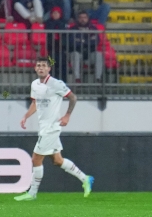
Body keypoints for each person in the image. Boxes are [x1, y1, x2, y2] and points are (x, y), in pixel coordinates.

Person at [15, 57, 94, 201]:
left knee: (36, 159)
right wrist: (26, 116)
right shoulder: (35, 85)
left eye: (44, 66)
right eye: (38, 65)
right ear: (35, 68)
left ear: (49, 69)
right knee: (57, 160)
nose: (41, 68)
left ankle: (32, 193)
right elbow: (36, 103)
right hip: (44, 126)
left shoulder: (56, 84)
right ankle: (85, 178)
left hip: (51, 128)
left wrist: (67, 116)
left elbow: (73, 98)